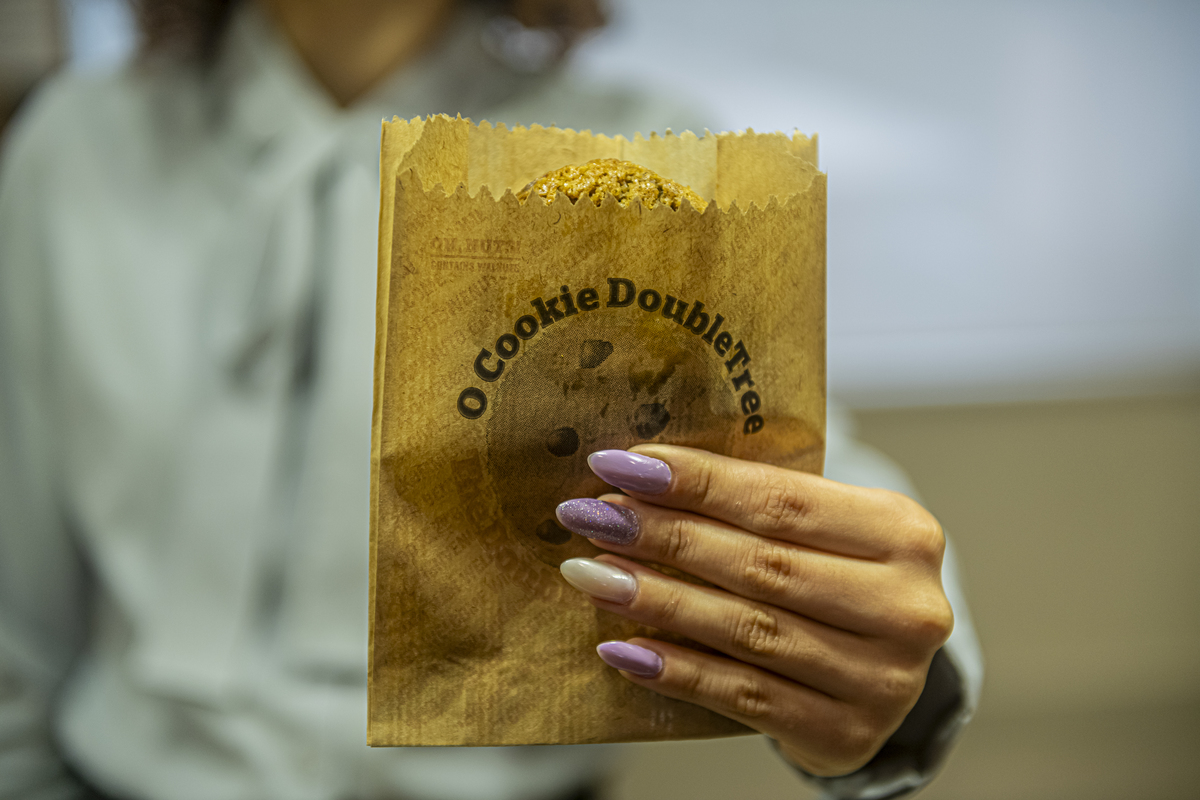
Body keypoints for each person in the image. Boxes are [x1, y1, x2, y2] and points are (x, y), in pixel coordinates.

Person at [0, 0, 982, 798]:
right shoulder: (72, 150)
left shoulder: (645, 155)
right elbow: (15, 601)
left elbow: (810, 479)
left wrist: (888, 668)